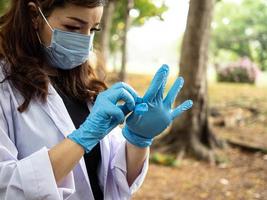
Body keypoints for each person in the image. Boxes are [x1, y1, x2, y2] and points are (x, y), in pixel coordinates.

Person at [0, 0, 193, 199]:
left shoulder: (84, 83)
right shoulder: (4, 86)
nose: (85, 41)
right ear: (34, 16)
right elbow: (6, 187)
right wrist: (82, 138)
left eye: (93, 29)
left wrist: (138, 140)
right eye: (73, 27)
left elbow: (116, 180)